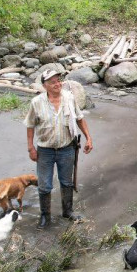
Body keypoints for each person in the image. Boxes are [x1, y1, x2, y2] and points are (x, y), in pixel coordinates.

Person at [24, 70, 93, 229]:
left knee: (66, 181)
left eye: (58, 80)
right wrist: (30, 148)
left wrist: (88, 138)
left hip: (67, 148)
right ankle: (45, 216)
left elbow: (79, 118)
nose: (57, 84)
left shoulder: (69, 98)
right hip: (45, 150)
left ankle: (67, 211)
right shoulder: (36, 102)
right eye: (52, 82)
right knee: (44, 185)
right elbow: (30, 125)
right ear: (45, 86)